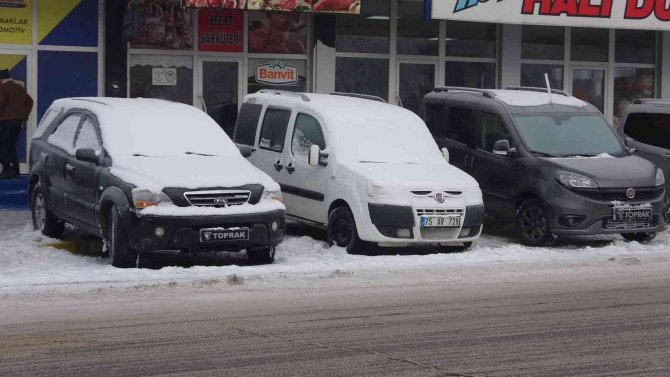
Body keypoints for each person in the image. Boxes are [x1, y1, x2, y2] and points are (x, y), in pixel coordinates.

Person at [0, 69, 33, 179]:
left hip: (6, 122)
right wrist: (24, 116)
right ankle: (16, 170)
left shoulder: (3, 87)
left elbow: (1, 102)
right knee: (10, 146)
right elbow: (30, 101)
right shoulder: (19, 87)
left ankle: (7, 169)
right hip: (17, 123)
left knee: (1, 145)